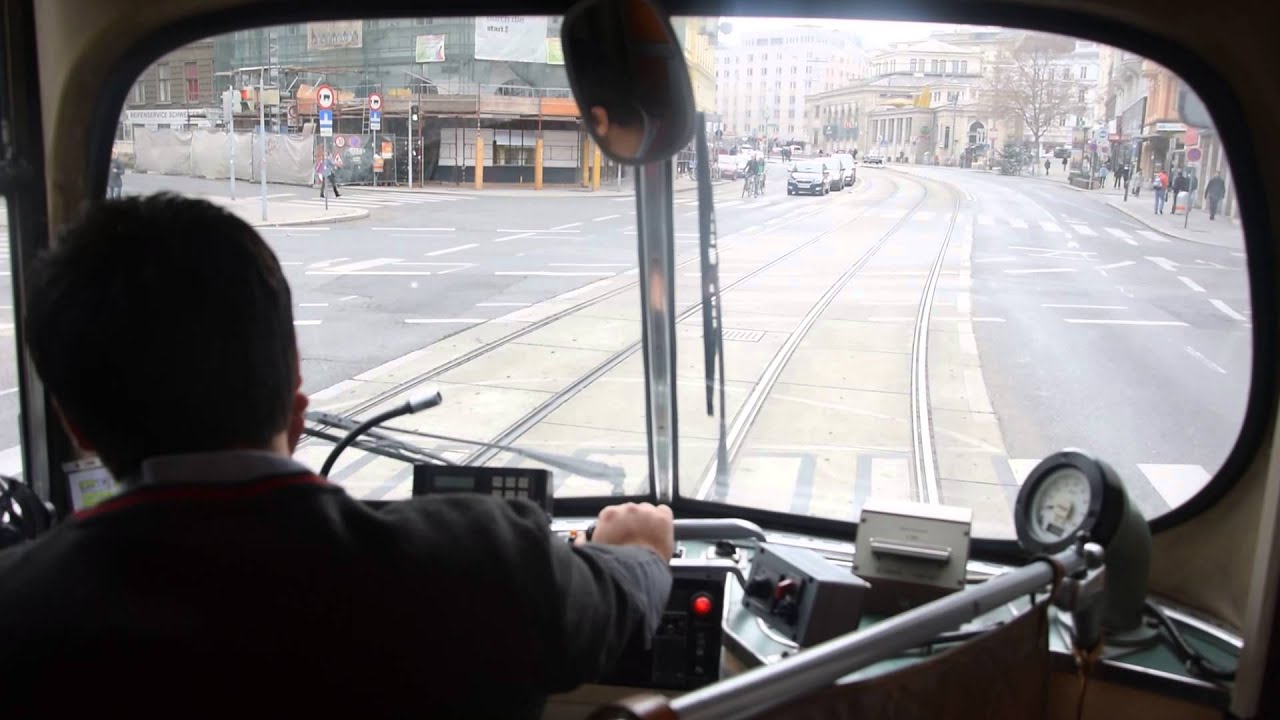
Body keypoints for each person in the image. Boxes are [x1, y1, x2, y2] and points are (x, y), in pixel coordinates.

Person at [0, 195, 675, 717]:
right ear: (296, 377)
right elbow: (620, 599)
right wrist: (639, 552)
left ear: (73, 423)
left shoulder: (22, 609)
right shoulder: (486, 563)